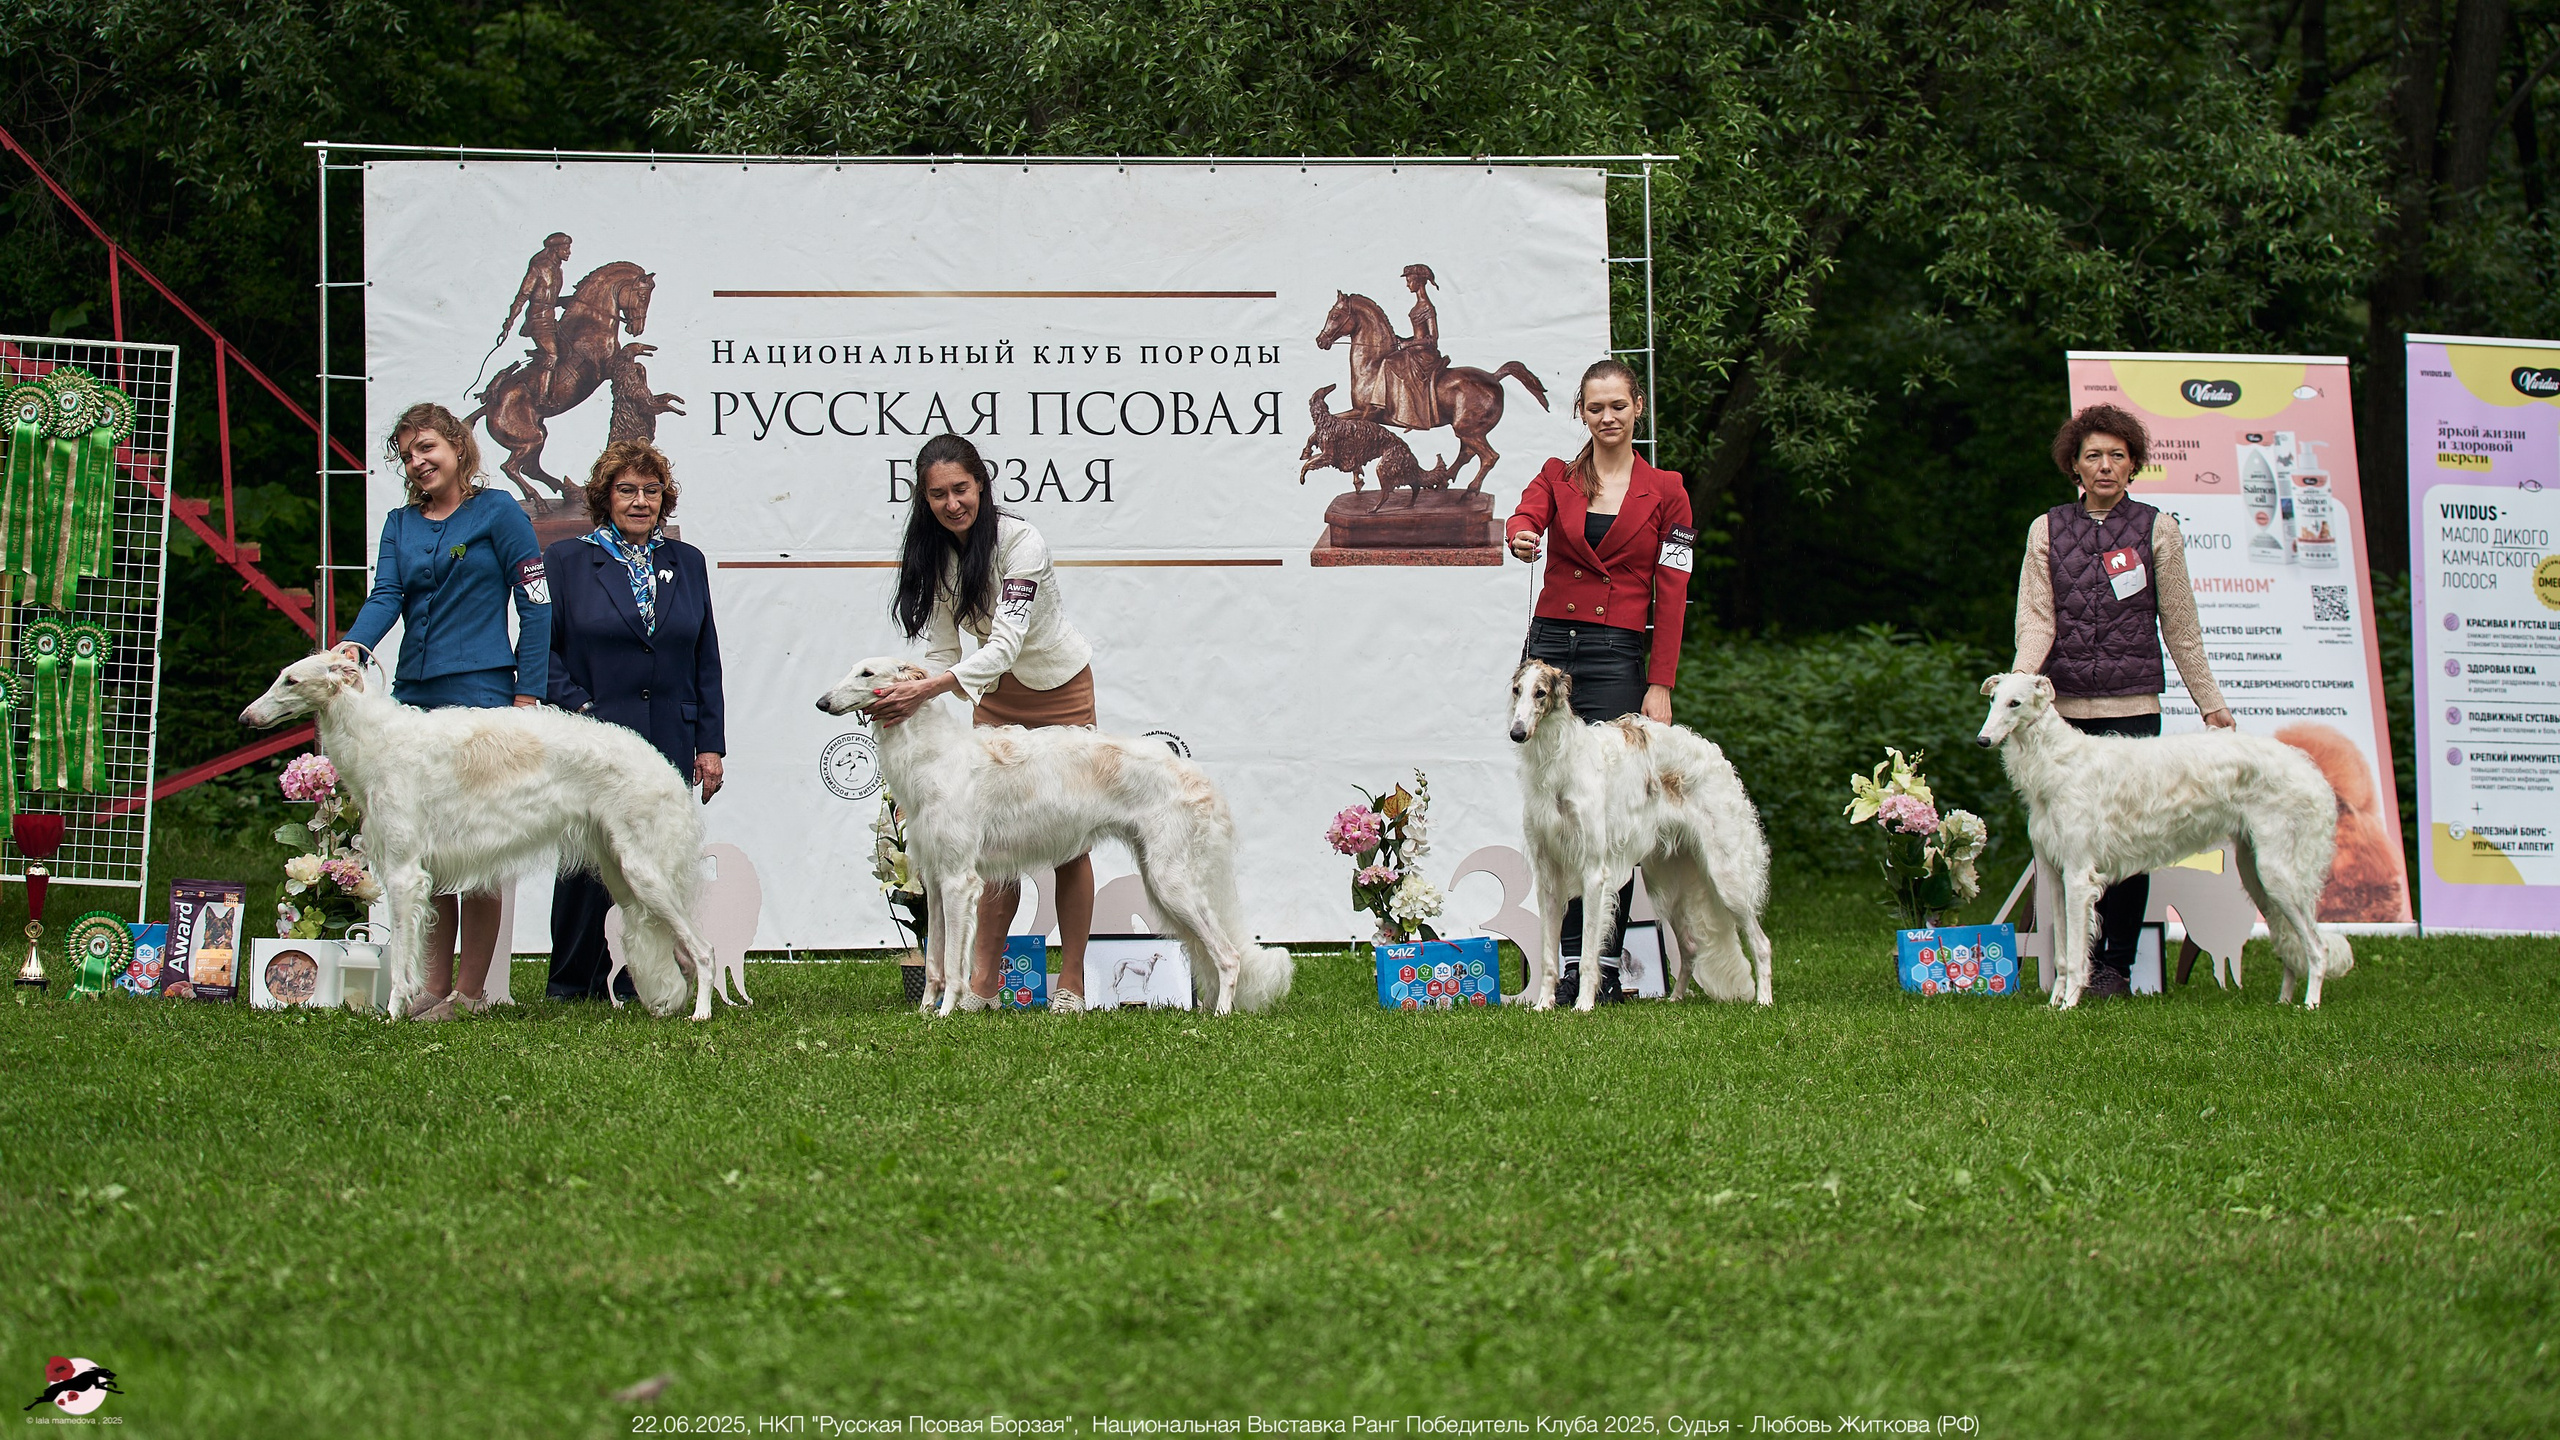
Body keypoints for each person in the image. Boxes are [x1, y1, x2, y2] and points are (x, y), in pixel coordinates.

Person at [864, 434, 1100, 1013]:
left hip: (1060, 690)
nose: (951, 504)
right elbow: (945, 656)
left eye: (961, 490)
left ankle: (1072, 982)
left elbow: (1005, 642)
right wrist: (908, 687)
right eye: (938, 495)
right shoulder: (939, 557)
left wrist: (929, 687)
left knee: (1069, 840)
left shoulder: (1023, 543)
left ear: (982, 486)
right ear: (925, 500)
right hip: (993, 698)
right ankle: (982, 986)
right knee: (989, 842)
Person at [2013, 404, 2233, 999]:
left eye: (2116, 455)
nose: (2105, 466)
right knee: (2068, 843)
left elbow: (2180, 627)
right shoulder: (2047, 529)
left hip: (2132, 709)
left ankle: (2115, 967)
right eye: (2093, 456)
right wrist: (2017, 688)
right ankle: (2071, 964)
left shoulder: (2159, 528)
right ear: (2073, 467)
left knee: (2130, 842)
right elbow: (2036, 621)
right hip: (2062, 719)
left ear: (2133, 464)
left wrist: (2210, 705)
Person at [341, 401, 551, 1022]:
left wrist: (527, 694)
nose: (417, 461)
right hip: (415, 699)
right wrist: (352, 648)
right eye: (407, 454)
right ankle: (430, 987)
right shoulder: (399, 523)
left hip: (486, 697)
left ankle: (471, 992)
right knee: (425, 851)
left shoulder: (499, 512)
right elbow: (385, 596)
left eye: (427, 447)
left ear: (459, 448)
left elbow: (536, 604)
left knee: (481, 847)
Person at [1505, 359, 1694, 1004]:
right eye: (1595, 408)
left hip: (1620, 657)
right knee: (1552, 804)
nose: (1607, 418)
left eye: (1618, 406)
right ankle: (1556, 967)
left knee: (1610, 813)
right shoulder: (1558, 477)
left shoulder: (1668, 491)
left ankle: (1603, 969)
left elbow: (1675, 589)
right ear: (1581, 414)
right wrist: (1525, 535)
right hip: (1553, 647)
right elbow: (1523, 517)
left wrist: (1659, 682)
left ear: (1637, 408)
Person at [543, 438, 726, 1001]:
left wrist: (710, 743)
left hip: (670, 734)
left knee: (656, 863)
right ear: (605, 497)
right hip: (594, 739)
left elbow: (705, 656)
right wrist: (578, 708)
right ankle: (575, 983)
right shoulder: (566, 561)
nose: (641, 501)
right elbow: (541, 652)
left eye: (651, 491)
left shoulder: (687, 561)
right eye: (627, 490)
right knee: (586, 866)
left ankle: (646, 981)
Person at [1372, 262, 1446, 428]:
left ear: (1419, 282)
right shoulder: (1418, 306)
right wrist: (1403, 339)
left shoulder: (1427, 307)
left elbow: (1433, 338)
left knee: (1389, 362)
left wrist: (1409, 344)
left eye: (1409, 280)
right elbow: (1421, 334)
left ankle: (1390, 409)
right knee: (1389, 358)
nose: (1407, 285)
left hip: (1425, 355)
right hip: (1415, 351)